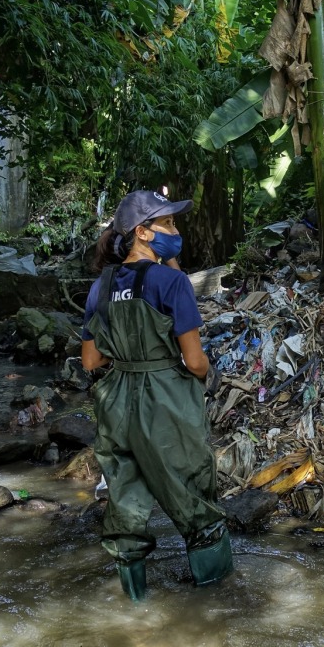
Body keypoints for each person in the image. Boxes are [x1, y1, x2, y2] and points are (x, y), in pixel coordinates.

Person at [79, 189, 230, 601]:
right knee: (193, 495)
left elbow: (91, 361)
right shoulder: (172, 282)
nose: (175, 231)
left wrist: (127, 359)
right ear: (142, 232)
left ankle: (136, 605)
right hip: (166, 398)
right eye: (168, 224)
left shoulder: (100, 287)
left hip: (116, 403)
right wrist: (205, 377)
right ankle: (218, 603)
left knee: (125, 500)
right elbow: (194, 361)